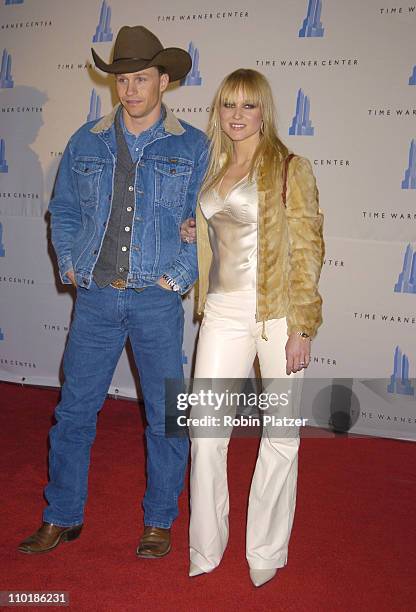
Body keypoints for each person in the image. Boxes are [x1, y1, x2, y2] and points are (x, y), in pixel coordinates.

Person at [18, 26, 207, 557]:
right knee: (74, 411)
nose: (130, 89)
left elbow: (210, 223)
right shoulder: (87, 139)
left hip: (156, 297)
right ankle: (61, 515)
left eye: (141, 78)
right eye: (122, 79)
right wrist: (73, 265)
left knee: (165, 417)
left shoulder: (192, 145)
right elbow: (67, 210)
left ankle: (160, 520)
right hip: (97, 298)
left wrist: (176, 277)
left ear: (163, 81)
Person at [181, 68, 324, 587]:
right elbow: (222, 232)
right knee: (206, 433)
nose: (237, 116)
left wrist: (303, 325)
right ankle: (206, 547)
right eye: (228, 105)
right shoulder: (213, 166)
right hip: (221, 312)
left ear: (265, 110)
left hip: (277, 313)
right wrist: (196, 229)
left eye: (248, 105)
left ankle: (265, 549)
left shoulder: (290, 168)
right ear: (218, 111)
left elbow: (307, 248)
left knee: (280, 435)